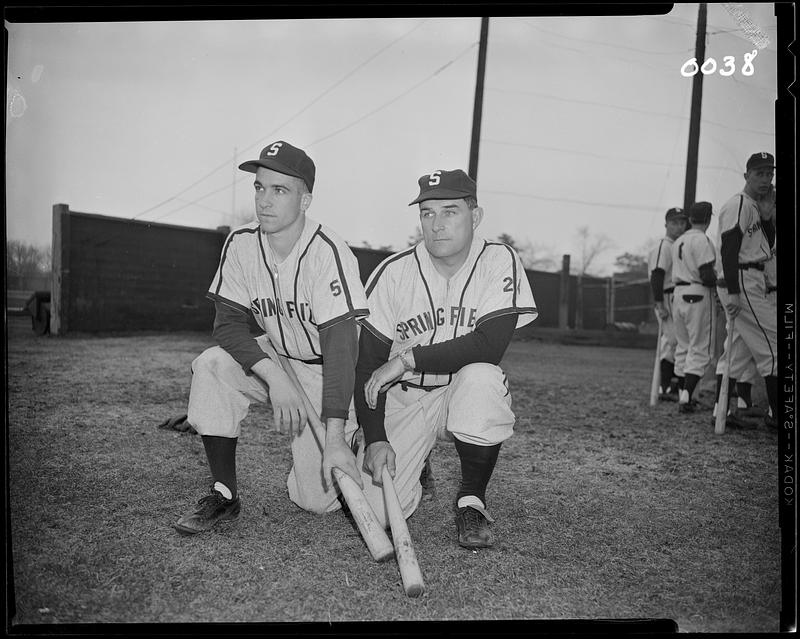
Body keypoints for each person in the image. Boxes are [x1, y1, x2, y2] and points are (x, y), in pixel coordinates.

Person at [173, 140, 370, 534]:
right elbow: (227, 325)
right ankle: (223, 494)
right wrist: (275, 377)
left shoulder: (327, 252)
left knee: (314, 501)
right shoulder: (242, 242)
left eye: (279, 190)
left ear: (306, 199)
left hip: (326, 367)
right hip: (277, 354)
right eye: (260, 187)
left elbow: (341, 350)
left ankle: (358, 437)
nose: (265, 200)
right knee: (211, 365)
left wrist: (333, 438)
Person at [353, 169, 537, 549]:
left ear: (476, 215)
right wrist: (375, 437)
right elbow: (369, 364)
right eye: (427, 213)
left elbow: (488, 346)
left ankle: (471, 500)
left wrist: (406, 359)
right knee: (380, 512)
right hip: (404, 398)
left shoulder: (499, 260)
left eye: (450, 211)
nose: (436, 225)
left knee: (483, 376)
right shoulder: (393, 272)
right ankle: (416, 460)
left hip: (458, 390)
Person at [713, 152, 777, 429]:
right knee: (775, 346)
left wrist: (766, 219)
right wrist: (734, 291)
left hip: (750, 277)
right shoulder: (738, 203)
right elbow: (729, 248)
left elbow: (764, 248)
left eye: (769, 174)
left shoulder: (754, 206)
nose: (765, 179)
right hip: (741, 279)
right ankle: (778, 417)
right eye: (759, 173)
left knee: (737, 352)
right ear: (746, 175)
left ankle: (722, 412)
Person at [671, 201, 718, 414]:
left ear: (690, 219)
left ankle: (684, 393)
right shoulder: (703, 240)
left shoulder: (678, 240)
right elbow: (707, 274)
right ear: (708, 220)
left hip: (678, 294)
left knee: (683, 346)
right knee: (700, 348)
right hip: (698, 292)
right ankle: (687, 397)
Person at [648, 207, 689, 400]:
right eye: (674, 222)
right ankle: (664, 387)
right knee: (671, 341)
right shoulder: (664, 246)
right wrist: (659, 303)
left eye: (682, 222)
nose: (679, 226)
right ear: (666, 224)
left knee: (676, 341)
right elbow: (657, 275)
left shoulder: (677, 244)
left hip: (675, 295)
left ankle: (670, 387)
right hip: (666, 296)